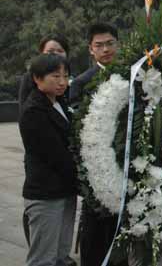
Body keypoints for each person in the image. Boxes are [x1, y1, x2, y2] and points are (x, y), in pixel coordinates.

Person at [70, 23, 123, 266]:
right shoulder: (82, 82)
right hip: (96, 169)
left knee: (121, 231)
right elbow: (77, 128)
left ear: (118, 44)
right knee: (95, 230)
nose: (105, 49)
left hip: (125, 164)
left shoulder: (132, 75)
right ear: (90, 49)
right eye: (99, 45)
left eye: (110, 43)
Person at [20, 54, 76, 266]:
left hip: (65, 190)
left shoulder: (59, 102)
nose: (62, 82)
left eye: (66, 76)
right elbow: (55, 156)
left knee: (61, 254)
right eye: (55, 76)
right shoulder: (33, 111)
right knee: (43, 259)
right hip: (46, 195)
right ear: (37, 78)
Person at [19, 35, 71, 116]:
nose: (55, 54)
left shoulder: (68, 75)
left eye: (60, 51)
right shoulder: (29, 77)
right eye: (50, 51)